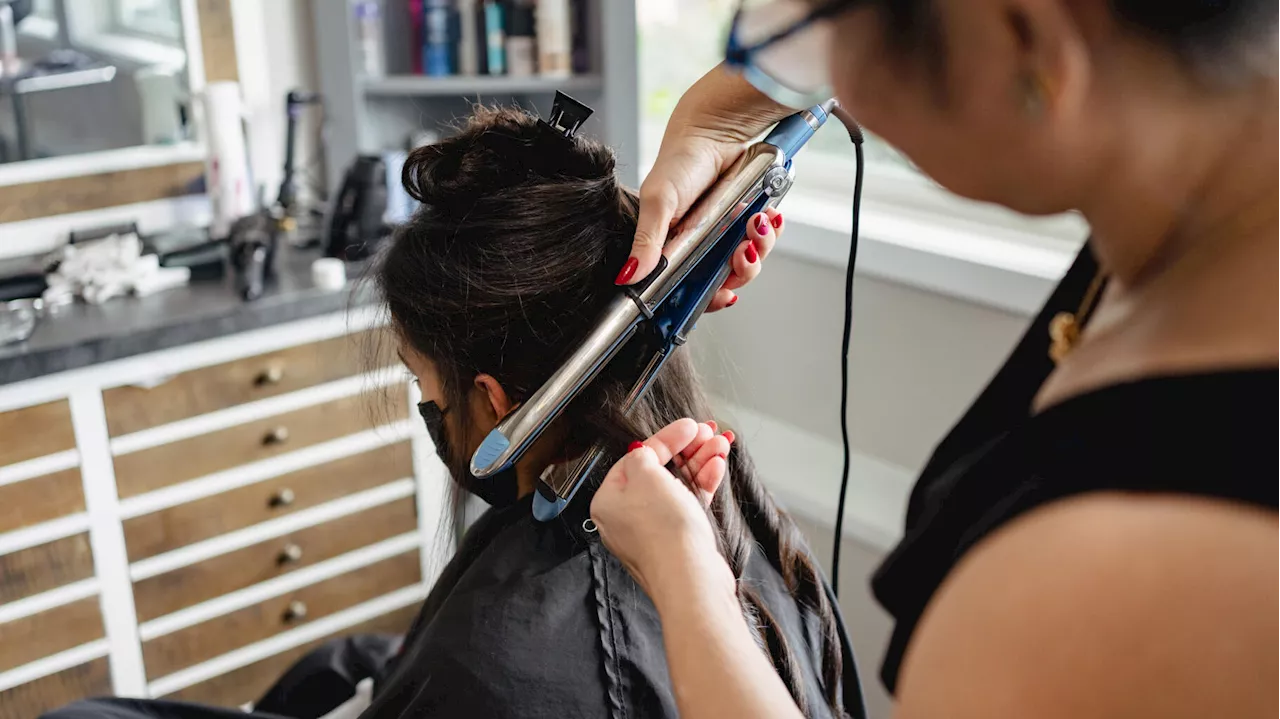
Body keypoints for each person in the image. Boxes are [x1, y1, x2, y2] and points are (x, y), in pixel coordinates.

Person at [42, 107, 865, 719]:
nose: (425, 408)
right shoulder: (748, 523)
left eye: (425, 383)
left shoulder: (494, 661)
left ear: (497, 403)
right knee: (338, 664)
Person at [595, 0, 1280, 717]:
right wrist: (722, 112)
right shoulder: (1213, 181)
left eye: (829, 38)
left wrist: (682, 573)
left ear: (1025, 36)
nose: (835, 96)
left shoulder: (1106, 593)